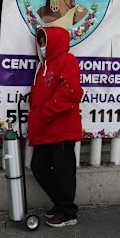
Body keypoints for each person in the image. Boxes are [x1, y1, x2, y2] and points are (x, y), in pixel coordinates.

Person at [27, 27, 84, 227]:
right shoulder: (43, 67)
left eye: (45, 43)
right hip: (45, 130)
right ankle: (60, 203)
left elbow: (70, 93)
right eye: (40, 43)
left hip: (61, 129)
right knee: (38, 167)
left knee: (63, 172)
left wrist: (45, 113)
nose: (42, 47)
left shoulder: (67, 61)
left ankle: (68, 212)